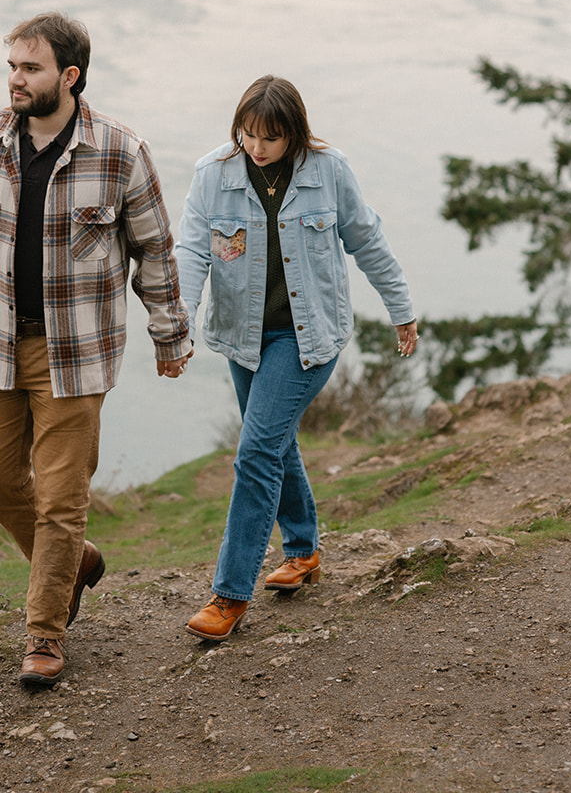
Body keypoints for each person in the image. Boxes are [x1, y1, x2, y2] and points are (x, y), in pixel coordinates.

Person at [0, 12, 192, 687]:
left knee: (60, 501)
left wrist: (168, 334)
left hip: (75, 354)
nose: (15, 79)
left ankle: (44, 634)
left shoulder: (121, 152)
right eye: (11, 66)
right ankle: (77, 561)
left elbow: (154, 251)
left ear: (68, 77)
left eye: (29, 68)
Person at [176, 75, 417, 640]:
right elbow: (190, 249)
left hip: (307, 338)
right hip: (242, 336)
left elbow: (367, 239)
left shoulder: (329, 171)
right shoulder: (213, 174)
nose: (256, 148)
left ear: (295, 134)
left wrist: (401, 308)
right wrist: (178, 322)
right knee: (274, 443)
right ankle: (304, 551)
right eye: (247, 134)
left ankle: (229, 595)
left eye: (270, 138)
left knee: (256, 450)